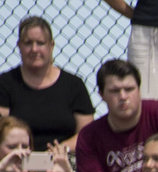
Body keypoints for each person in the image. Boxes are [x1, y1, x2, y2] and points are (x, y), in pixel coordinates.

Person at [1, 18, 91, 150]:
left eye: (40, 43)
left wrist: (57, 151)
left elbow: (87, 134)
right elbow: (1, 130)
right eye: (28, 43)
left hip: (64, 159)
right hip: (17, 158)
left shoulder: (74, 85)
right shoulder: (5, 83)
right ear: (19, 45)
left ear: (51, 45)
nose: (34, 49)